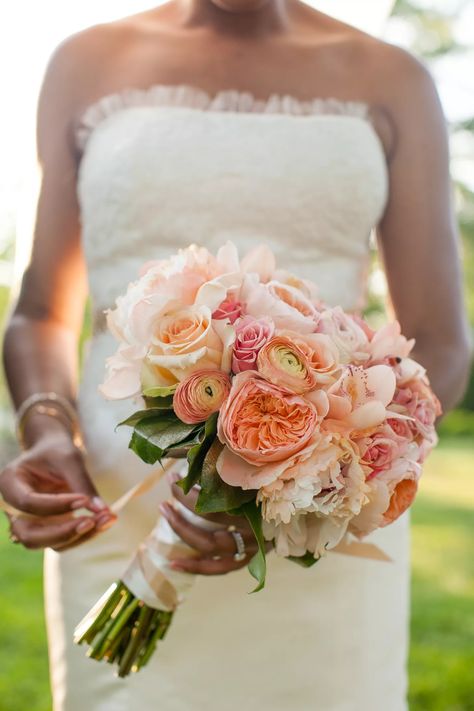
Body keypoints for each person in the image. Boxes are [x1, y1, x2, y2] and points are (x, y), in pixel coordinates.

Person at [1, 1, 471, 709]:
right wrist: (45, 429)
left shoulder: (392, 78)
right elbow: (42, 310)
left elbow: (438, 339)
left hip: (320, 533)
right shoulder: (83, 63)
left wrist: (296, 468)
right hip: (118, 516)